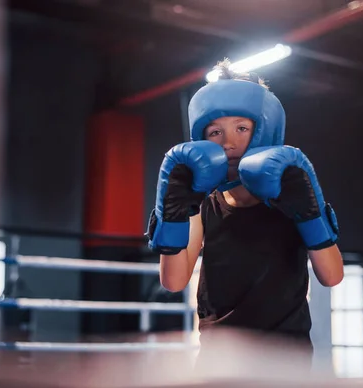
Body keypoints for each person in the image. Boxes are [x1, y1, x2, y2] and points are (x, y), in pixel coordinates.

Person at [145, 59, 344, 367]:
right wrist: (172, 212)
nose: (229, 143)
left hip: (286, 356)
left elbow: (331, 277)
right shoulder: (202, 205)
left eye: (242, 128)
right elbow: (173, 282)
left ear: (264, 129)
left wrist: (311, 215)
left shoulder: (291, 194)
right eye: (215, 132)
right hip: (220, 355)